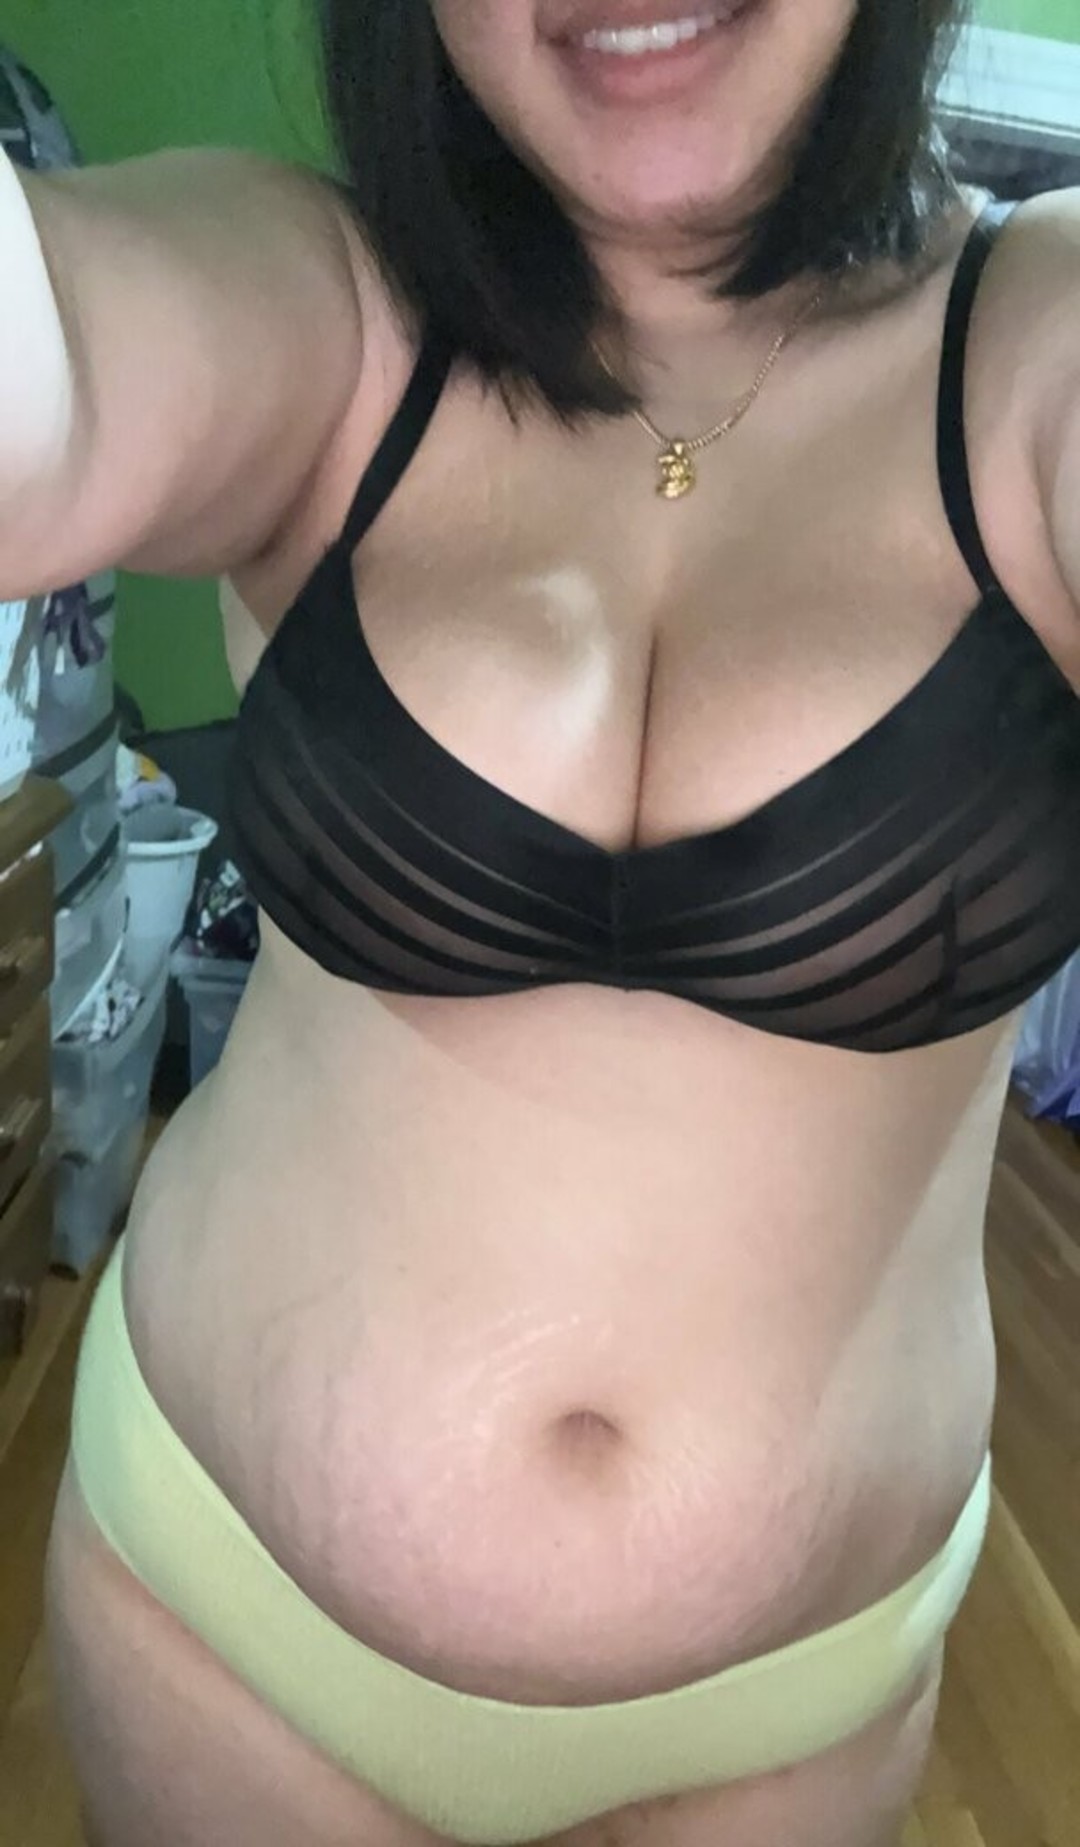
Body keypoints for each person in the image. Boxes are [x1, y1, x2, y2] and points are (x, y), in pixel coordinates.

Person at [3, 1, 1079, 1842]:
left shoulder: (1036, 340)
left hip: (783, 1720)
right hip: (227, 1633)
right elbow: (54, 380)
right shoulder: (330, 310)